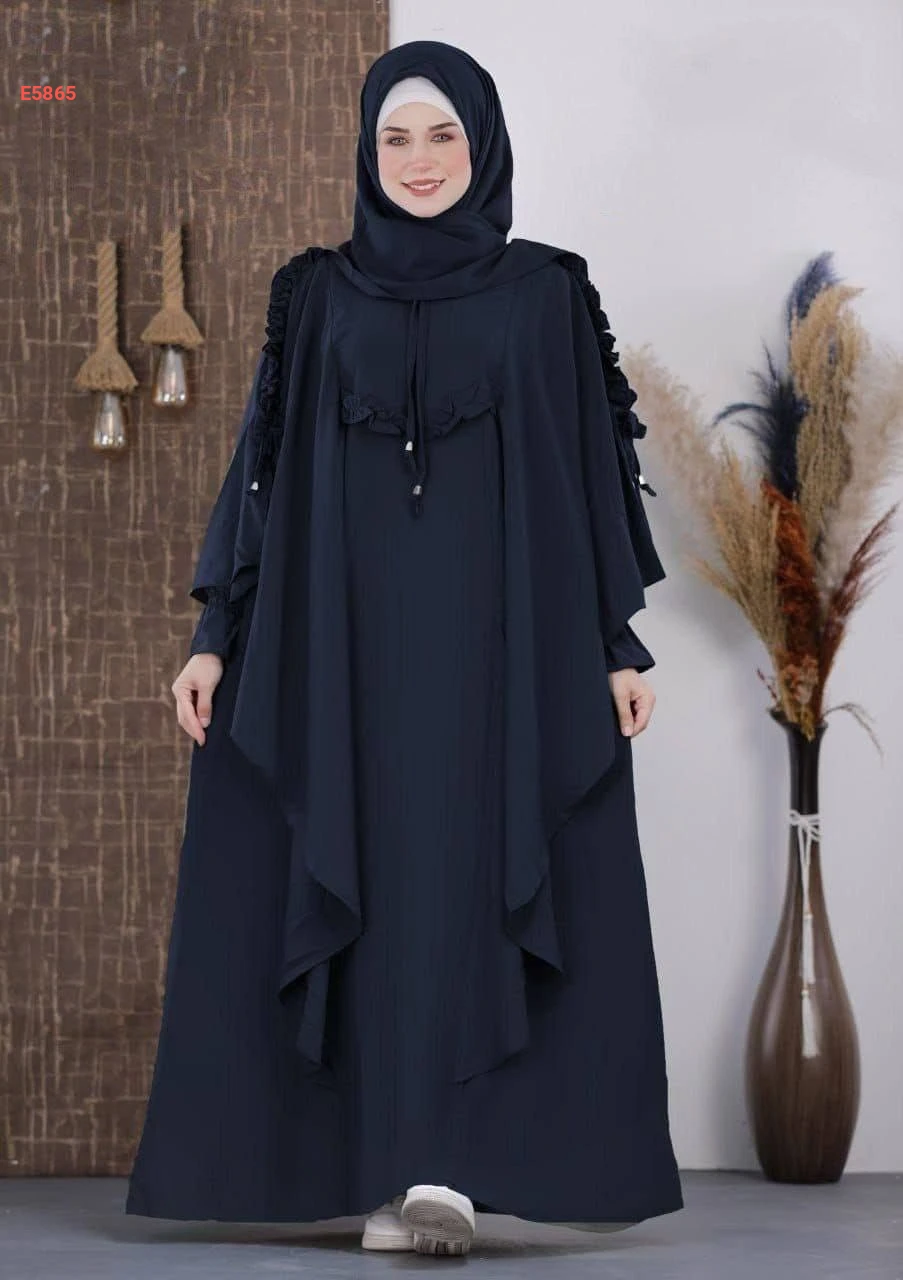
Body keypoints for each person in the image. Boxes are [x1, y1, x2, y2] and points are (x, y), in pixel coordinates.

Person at [125, 39, 683, 1257]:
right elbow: (265, 471)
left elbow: (584, 476)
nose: (419, 161)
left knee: (476, 884)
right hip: (343, 650)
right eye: (395, 137)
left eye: (442, 136)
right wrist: (215, 634)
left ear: (482, 145)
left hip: (501, 653)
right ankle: (386, 1169)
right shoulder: (318, 294)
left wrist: (615, 642)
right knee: (360, 885)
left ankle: (447, 1170)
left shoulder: (546, 293)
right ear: (366, 151)